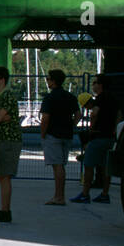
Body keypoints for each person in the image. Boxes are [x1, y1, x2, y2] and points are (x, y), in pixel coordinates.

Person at [71, 75, 116, 204]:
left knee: (88, 164)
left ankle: (85, 194)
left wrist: (92, 128)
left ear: (101, 85)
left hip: (98, 136)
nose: (93, 85)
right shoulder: (113, 98)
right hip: (110, 137)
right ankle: (104, 194)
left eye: (95, 83)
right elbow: (119, 115)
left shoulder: (100, 99)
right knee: (106, 167)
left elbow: (94, 113)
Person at [39, 69, 80, 205]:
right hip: (67, 134)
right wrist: (72, 126)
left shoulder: (49, 98)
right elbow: (78, 114)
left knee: (57, 166)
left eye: (49, 79)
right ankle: (59, 195)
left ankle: (59, 197)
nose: (47, 81)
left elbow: (45, 118)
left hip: (53, 134)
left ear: (53, 81)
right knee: (61, 165)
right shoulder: (70, 97)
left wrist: (43, 134)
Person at [0, 66, 21, 223]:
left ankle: (5, 211)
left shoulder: (6, 96)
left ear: (2, 80)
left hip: (8, 140)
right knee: (2, 177)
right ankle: (4, 210)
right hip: (2, 139)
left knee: (4, 177)